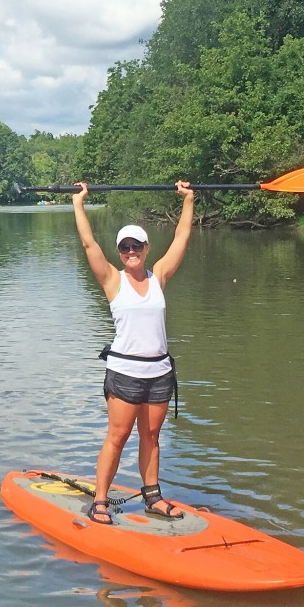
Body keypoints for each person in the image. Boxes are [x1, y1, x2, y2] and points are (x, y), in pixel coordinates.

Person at [72, 180, 194, 525]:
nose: (130, 251)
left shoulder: (160, 277)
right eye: (125, 247)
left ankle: (152, 497)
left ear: (146, 246)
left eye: (136, 245)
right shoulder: (112, 279)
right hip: (125, 374)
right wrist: (79, 203)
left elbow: (182, 238)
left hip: (158, 373)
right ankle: (99, 500)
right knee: (118, 436)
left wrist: (188, 200)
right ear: (120, 252)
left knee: (151, 436)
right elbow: (87, 242)